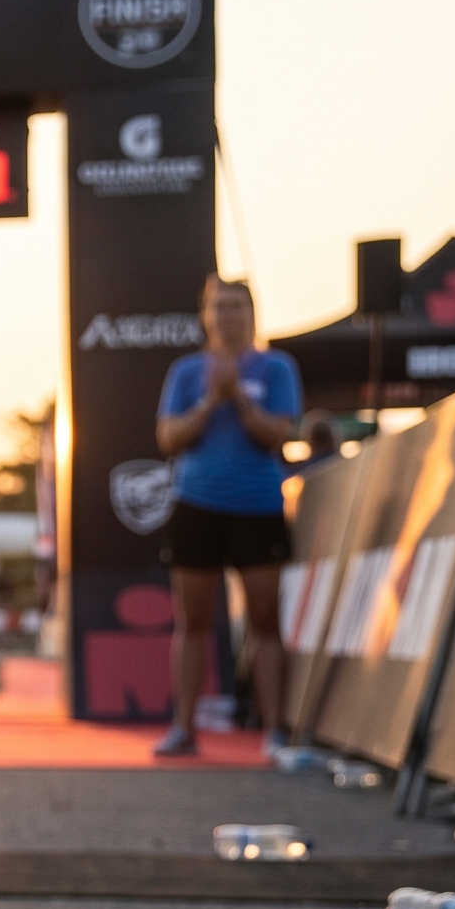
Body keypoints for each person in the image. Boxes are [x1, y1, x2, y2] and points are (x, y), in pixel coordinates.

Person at [153, 275, 301, 758]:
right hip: (196, 504)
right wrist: (211, 400)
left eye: (238, 306)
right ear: (206, 315)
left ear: (252, 313)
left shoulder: (276, 368)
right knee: (191, 620)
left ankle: (274, 729)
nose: (229, 315)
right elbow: (170, 438)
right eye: (220, 307)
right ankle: (183, 728)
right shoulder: (186, 372)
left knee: (265, 621)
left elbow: (276, 436)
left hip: (257, 507)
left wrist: (238, 397)